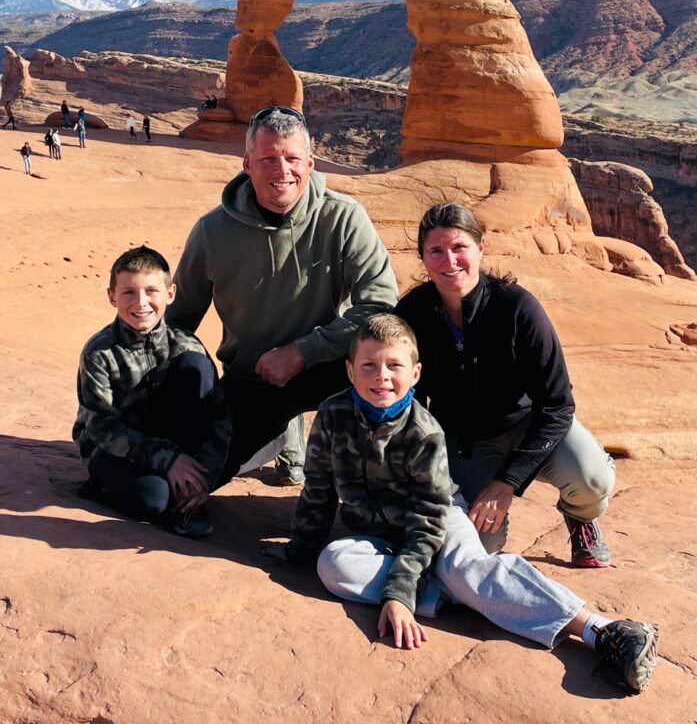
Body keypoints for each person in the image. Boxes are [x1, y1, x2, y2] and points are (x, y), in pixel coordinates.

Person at [263, 314, 658, 694]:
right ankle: (466, 590)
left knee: (468, 566)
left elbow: (429, 519)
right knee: (333, 564)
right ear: (349, 371)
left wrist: (399, 593)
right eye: (368, 365)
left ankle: (601, 629)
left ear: (415, 375)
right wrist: (300, 550)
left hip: (436, 521)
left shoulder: (424, 432)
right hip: (377, 536)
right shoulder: (333, 416)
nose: (381, 376)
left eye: (394, 366)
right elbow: (318, 489)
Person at [167, 105, 398, 484]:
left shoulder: (343, 217)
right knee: (194, 480)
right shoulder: (212, 232)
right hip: (252, 376)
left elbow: (379, 306)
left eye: (292, 158)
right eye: (268, 158)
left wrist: (303, 352)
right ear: (247, 162)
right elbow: (177, 321)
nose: (282, 170)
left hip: (329, 368)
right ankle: (281, 436)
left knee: (384, 378)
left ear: (310, 162)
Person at [395, 203, 616, 568]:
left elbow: (558, 405)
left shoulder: (517, 308)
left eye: (459, 248)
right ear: (423, 257)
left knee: (592, 482)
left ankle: (580, 517)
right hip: (465, 441)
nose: (449, 261)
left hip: (528, 428)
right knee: (478, 546)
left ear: (481, 248)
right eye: (436, 251)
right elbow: (407, 398)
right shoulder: (413, 314)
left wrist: (507, 483)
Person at [73, 245, 231, 538]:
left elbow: (218, 418)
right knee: (154, 500)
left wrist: (204, 477)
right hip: (113, 449)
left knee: (194, 368)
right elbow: (101, 428)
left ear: (170, 294)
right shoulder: (99, 353)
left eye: (151, 291)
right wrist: (168, 459)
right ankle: (105, 486)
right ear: (112, 297)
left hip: (171, 442)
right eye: (129, 292)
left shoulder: (188, 347)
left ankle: (190, 497)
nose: (141, 302)